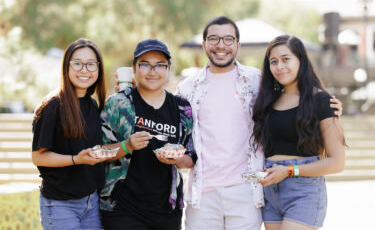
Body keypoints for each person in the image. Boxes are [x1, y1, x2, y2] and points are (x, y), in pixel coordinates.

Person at [176, 16, 343, 230]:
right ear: (204, 44)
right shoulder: (187, 89)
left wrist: (330, 109)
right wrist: (139, 88)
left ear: (237, 44)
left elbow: (334, 156)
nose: (221, 45)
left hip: (252, 189)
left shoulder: (256, 81)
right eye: (214, 38)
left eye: (228, 39)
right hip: (213, 192)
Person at [99, 39, 197, 230]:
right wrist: (127, 145)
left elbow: (191, 158)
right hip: (122, 209)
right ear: (134, 68)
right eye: (145, 64)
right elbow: (99, 152)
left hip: (166, 211)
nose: (153, 71)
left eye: (160, 65)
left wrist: (176, 159)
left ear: (168, 69)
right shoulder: (119, 103)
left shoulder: (181, 108)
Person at [253, 35, 346, 230]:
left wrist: (288, 171)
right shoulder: (267, 102)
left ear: (300, 60)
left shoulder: (321, 100)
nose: (279, 66)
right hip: (270, 189)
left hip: (304, 190)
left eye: (286, 59)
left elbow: (337, 162)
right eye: (273, 61)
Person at [32, 38, 108, 230]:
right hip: (60, 204)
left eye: (91, 64)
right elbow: (38, 157)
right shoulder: (52, 106)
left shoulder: (92, 105)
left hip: (91, 202)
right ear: (66, 67)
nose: (84, 70)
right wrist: (77, 159)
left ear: (98, 69)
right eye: (77, 63)